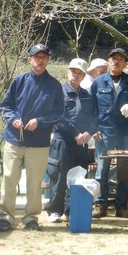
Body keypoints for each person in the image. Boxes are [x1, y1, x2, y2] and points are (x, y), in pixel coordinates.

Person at [0, 43, 64, 231]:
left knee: (34, 182)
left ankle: (31, 218)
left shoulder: (54, 85)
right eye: (37, 57)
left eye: (44, 57)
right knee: (9, 178)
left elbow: (59, 112)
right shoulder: (19, 81)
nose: (40, 60)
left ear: (48, 60)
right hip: (14, 139)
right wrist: (13, 119)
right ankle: (6, 216)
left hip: (39, 142)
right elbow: (6, 106)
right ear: (29, 60)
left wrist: (40, 121)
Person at [90, 48, 128, 219]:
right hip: (103, 133)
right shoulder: (98, 82)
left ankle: (121, 206)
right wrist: (93, 130)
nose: (116, 61)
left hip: (125, 132)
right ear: (108, 61)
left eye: (121, 59)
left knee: (125, 170)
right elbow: (90, 109)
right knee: (101, 171)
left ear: (125, 64)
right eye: (113, 58)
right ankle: (100, 204)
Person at [45, 58, 98, 223]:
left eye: (79, 73)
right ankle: (55, 210)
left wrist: (89, 133)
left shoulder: (87, 95)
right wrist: (76, 133)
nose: (75, 75)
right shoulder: (59, 92)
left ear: (83, 76)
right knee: (59, 177)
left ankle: (71, 210)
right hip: (63, 140)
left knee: (78, 177)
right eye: (73, 72)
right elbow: (59, 117)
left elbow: (94, 117)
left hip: (81, 143)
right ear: (68, 72)